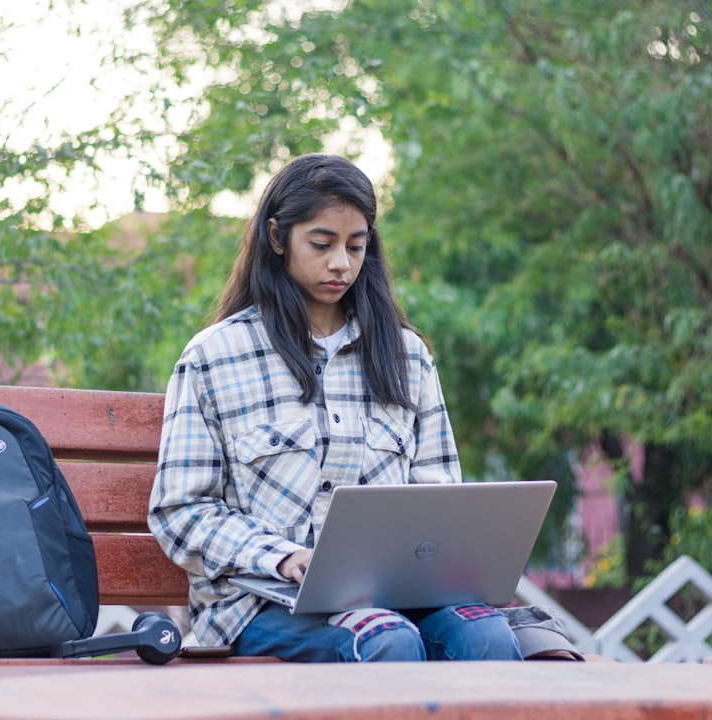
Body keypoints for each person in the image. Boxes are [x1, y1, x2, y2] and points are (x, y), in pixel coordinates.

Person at [148, 153, 524, 662]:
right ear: (277, 237)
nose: (341, 263)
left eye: (356, 246)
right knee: (385, 640)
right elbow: (181, 510)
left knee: (488, 637)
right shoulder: (215, 357)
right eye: (322, 244)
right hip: (261, 602)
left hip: (397, 596)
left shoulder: (406, 356)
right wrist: (283, 557)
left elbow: (437, 494)